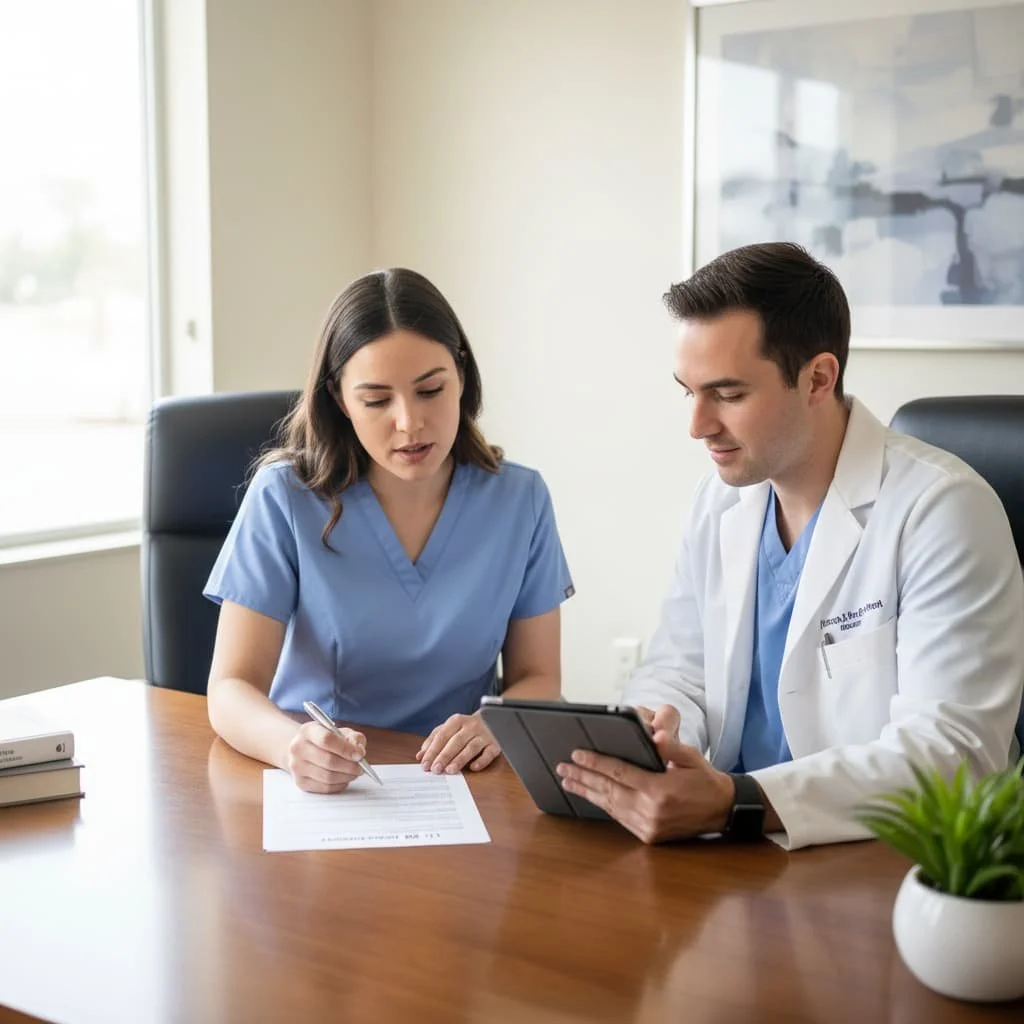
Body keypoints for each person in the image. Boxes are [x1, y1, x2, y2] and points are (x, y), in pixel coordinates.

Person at [556, 242, 1024, 850]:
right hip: (730, 849)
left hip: (886, 860)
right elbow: (680, 669)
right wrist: (656, 731)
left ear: (818, 378)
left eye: (727, 394)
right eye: (688, 391)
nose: (697, 425)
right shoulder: (720, 500)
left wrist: (738, 800)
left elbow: (950, 757)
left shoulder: (943, 509)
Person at [205, 268, 573, 793]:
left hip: (462, 784)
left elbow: (539, 678)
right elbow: (231, 687)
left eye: (430, 390)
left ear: (462, 377)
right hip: (325, 787)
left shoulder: (521, 499)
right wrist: (292, 748)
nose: (409, 423)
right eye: (377, 400)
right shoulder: (285, 497)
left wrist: (494, 724)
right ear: (339, 398)